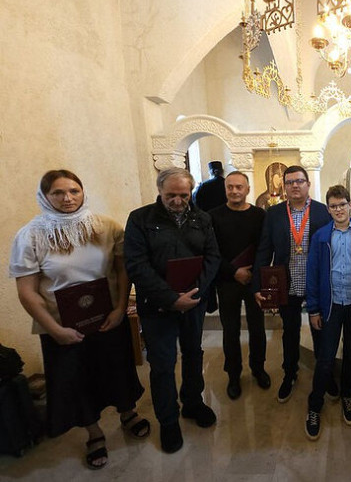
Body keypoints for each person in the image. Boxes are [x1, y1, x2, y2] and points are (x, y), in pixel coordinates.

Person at [10, 170, 148, 470]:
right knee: (78, 380)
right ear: (45, 196)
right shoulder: (31, 236)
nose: (67, 198)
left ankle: (128, 413)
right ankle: (94, 432)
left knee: (117, 369)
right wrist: (55, 330)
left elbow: (121, 270)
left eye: (74, 191)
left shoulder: (106, 227)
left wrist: (120, 308)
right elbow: (27, 292)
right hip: (62, 326)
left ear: (83, 192)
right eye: (58, 193)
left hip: (108, 318)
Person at [124, 167, 221, 454]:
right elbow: (136, 265)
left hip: (193, 303)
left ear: (191, 192)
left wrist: (196, 292)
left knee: (193, 353)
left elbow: (213, 257)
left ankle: (192, 402)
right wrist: (170, 298)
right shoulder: (140, 219)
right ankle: (168, 421)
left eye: (184, 195)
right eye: (171, 195)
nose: (178, 201)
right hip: (157, 306)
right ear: (160, 191)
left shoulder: (202, 218)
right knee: (163, 364)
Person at [253, 165, 332, 403]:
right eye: (289, 182)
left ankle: (325, 375)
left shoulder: (323, 212)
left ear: (308, 184)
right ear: (284, 187)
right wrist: (258, 285)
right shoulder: (274, 213)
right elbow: (264, 249)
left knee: (320, 331)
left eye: (299, 181)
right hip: (287, 283)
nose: (294, 185)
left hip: (316, 283)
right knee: (289, 332)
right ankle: (290, 373)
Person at [304, 185, 351, 440]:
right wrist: (313, 308)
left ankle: (347, 396)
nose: (338, 210)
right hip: (331, 305)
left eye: (342, 204)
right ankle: (314, 406)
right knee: (325, 357)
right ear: (328, 209)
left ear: (349, 205)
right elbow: (313, 273)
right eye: (333, 206)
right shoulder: (321, 236)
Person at [208, 171, 270, 400]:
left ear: (247, 189)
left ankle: (258, 368)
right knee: (230, 330)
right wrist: (234, 272)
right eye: (230, 187)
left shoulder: (259, 215)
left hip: (254, 281)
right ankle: (233, 375)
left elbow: (264, 247)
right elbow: (211, 251)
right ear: (225, 189)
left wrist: (254, 274)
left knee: (258, 328)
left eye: (239, 187)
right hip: (227, 281)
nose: (234, 191)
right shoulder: (212, 216)